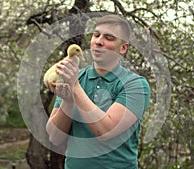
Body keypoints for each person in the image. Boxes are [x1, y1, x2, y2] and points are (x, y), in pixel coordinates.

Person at [46, 14, 150, 169]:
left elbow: (106, 131)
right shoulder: (75, 77)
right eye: (96, 35)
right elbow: (55, 137)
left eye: (109, 38)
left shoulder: (135, 85)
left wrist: (75, 88)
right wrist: (68, 101)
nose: (99, 41)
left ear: (123, 48)